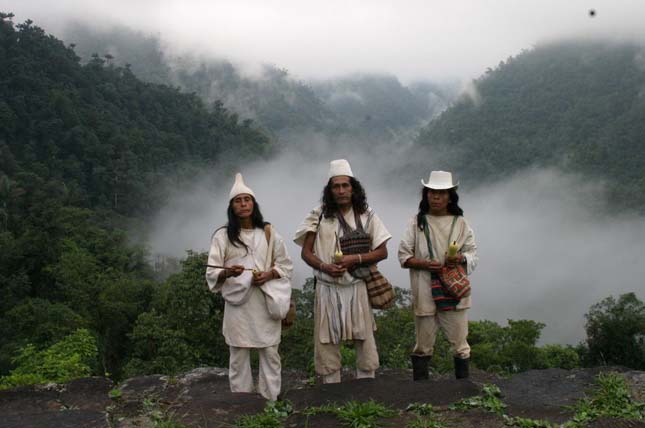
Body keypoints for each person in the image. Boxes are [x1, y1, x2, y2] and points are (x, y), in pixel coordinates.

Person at [294, 159, 391, 383]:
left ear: (353, 188)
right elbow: (306, 253)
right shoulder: (318, 215)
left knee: (364, 337)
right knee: (327, 340)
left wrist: (354, 259)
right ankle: (331, 386)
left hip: (357, 286)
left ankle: (367, 382)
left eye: (345, 186)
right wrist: (324, 266)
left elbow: (382, 252)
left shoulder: (367, 215)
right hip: (327, 287)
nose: (341, 191)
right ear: (330, 191)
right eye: (336, 187)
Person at [206, 173, 293, 400]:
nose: (243, 204)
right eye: (238, 200)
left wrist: (268, 274)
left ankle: (270, 400)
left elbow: (285, 265)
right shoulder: (222, 236)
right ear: (232, 207)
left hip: (264, 302)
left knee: (270, 352)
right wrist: (227, 272)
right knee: (238, 354)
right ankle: (242, 403)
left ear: (253, 204)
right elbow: (212, 271)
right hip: (238, 305)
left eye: (247, 200)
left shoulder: (269, 233)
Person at [398, 170, 478, 380]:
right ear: (426, 194)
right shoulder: (417, 222)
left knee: (460, 344)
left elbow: (472, 254)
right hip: (425, 288)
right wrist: (424, 264)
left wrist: (460, 259)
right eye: (432, 192)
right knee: (423, 344)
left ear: (450, 196)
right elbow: (403, 255)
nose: (435, 197)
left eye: (441, 193)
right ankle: (422, 390)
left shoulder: (460, 223)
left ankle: (463, 388)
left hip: (453, 291)